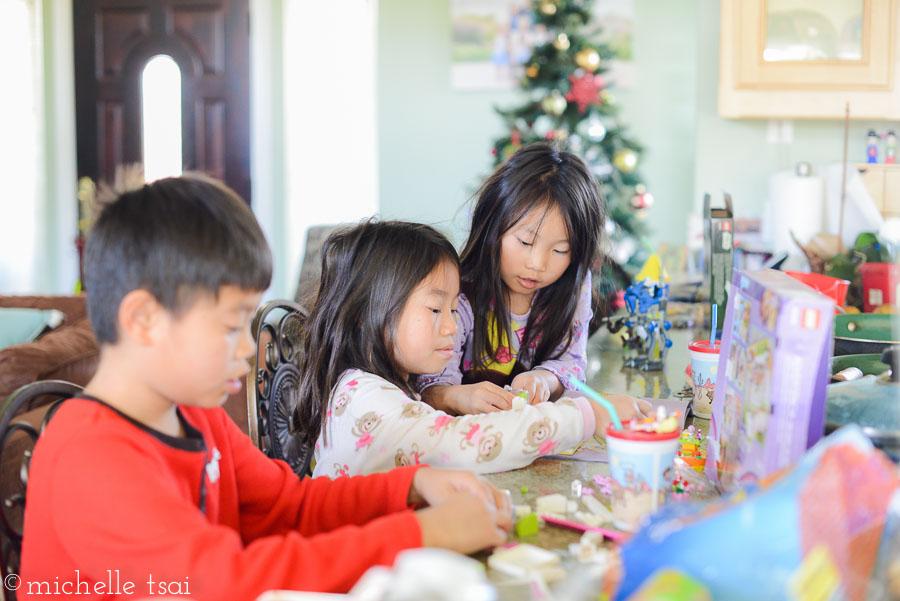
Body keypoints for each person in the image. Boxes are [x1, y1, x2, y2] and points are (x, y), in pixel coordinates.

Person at [20, 175, 511, 601]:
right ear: (145, 320)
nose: (247, 351)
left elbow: (286, 506)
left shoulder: (197, 414)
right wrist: (418, 535)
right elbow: (226, 585)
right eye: (231, 326)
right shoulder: (89, 455)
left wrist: (410, 486)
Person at [296, 220, 648, 478]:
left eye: (453, 309)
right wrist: (585, 415)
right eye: (436, 309)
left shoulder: (382, 386)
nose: (452, 326)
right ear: (363, 314)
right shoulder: (365, 400)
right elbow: (463, 443)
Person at [418, 142, 610, 414]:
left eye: (560, 250)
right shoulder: (460, 290)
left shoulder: (574, 285)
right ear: (493, 226)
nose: (537, 264)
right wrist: (455, 397)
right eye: (524, 241)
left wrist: (543, 379)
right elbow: (429, 385)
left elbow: (573, 363)